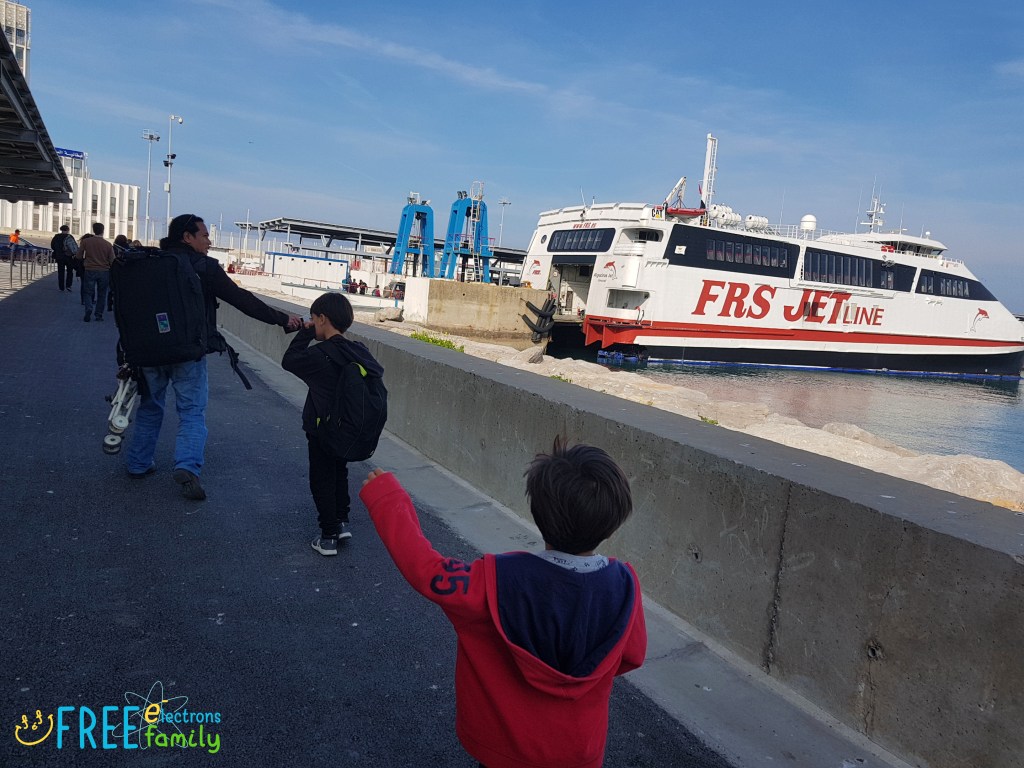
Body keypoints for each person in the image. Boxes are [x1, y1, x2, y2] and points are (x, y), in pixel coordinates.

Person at [359, 437, 647, 768]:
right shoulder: (624, 586)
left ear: (539, 515)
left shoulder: (494, 581)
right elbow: (631, 656)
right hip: (580, 751)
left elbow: (428, 571)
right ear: (613, 524)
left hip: (504, 750)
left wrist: (388, 499)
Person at [123, 213, 303, 500]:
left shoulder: (149, 263)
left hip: (148, 352)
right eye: (204, 235)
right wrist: (283, 319)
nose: (209, 241)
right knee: (192, 412)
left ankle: (138, 463)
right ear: (187, 237)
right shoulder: (203, 267)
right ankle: (187, 467)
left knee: (150, 406)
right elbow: (242, 300)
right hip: (187, 352)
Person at [282, 291, 383, 555]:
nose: (312, 322)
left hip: (322, 429)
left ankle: (328, 536)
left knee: (321, 478)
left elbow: (289, 361)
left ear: (323, 319)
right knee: (339, 472)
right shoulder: (359, 351)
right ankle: (340, 522)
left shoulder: (321, 354)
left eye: (314, 318)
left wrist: (304, 333)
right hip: (347, 428)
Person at [79, 223, 115, 322]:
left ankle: (89, 307)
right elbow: (112, 260)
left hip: (90, 270)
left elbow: (79, 255)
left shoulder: (86, 241)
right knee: (102, 293)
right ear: (103, 230)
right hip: (104, 271)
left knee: (88, 292)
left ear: (93, 230)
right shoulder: (108, 244)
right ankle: (98, 315)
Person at [49, 225, 77, 292]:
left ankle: (61, 287)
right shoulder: (70, 237)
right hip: (69, 257)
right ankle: (68, 285)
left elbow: (52, 246)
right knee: (70, 272)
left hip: (59, 257)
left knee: (61, 272)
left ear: (61, 230)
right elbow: (73, 247)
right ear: (68, 230)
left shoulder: (56, 237)